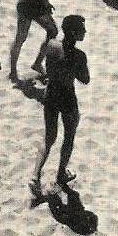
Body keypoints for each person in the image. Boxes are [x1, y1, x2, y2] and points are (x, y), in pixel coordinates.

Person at [29, 15, 90, 196]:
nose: (85, 31)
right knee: (69, 137)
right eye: (82, 29)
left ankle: (35, 175)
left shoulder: (51, 45)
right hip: (67, 97)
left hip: (51, 94)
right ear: (73, 32)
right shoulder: (79, 55)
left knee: (49, 138)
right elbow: (85, 79)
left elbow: (40, 66)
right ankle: (61, 174)